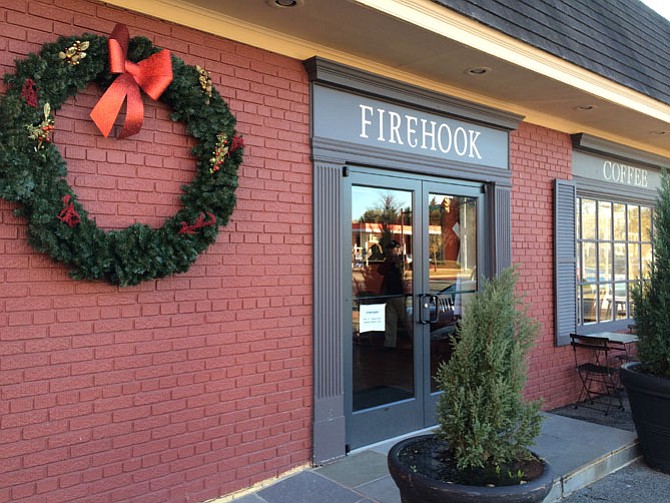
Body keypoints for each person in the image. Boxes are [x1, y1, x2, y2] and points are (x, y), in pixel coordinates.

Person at [378, 240, 408, 349]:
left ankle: (418, 340)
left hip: (399, 293)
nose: (390, 251)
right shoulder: (389, 260)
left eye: (392, 249)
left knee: (406, 320)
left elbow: (401, 271)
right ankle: (389, 344)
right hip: (390, 293)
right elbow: (380, 270)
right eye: (389, 249)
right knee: (390, 320)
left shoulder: (401, 260)